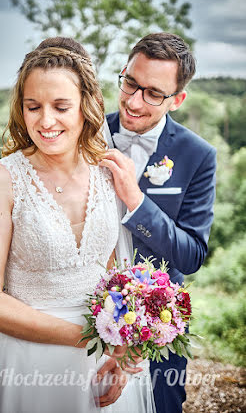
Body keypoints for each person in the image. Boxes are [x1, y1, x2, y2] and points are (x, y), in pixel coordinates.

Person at [0, 37, 156, 413]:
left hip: (103, 366)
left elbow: (114, 274)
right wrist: (91, 338)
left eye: (61, 106)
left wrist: (125, 350)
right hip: (26, 362)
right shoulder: (2, 178)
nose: (45, 121)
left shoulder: (108, 174)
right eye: (32, 106)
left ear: (86, 107)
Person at [100, 32, 216, 413]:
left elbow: (192, 255)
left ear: (178, 100)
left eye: (153, 93)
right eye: (131, 83)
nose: (134, 101)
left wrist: (136, 199)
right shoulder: (87, 134)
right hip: (83, 314)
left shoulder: (197, 156)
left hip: (156, 324)